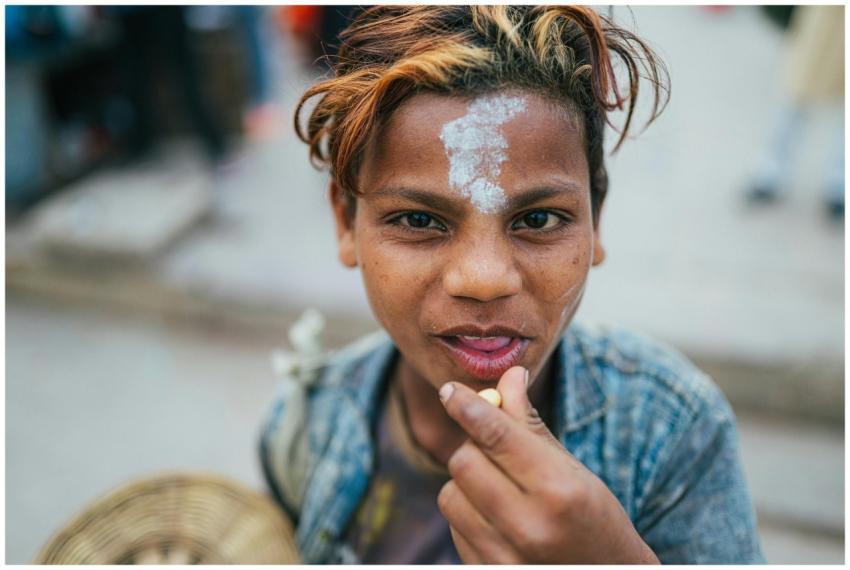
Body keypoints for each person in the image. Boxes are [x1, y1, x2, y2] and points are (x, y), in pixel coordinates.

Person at [259, 6, 765, 564]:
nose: (483, 279)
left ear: (596, 220)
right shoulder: (307, 422)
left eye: (539, 219)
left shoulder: (671, 432)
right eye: (420, 221)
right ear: (345, 222)